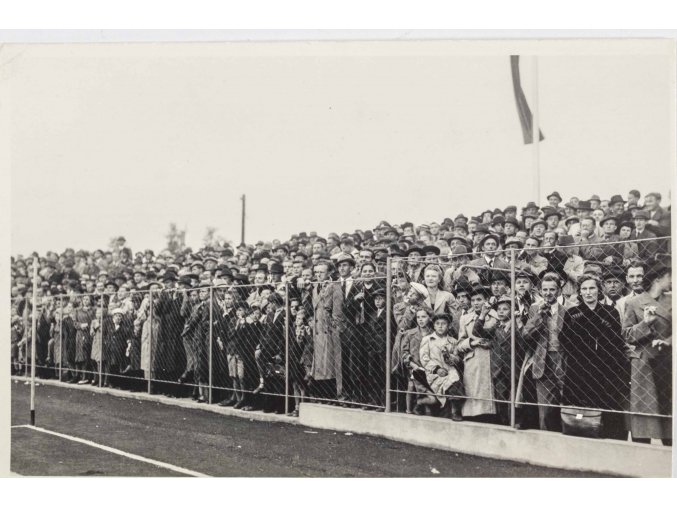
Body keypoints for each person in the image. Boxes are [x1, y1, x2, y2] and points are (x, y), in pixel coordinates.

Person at [559, 274, 630, 440]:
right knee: (581, 409)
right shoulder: (573, 313)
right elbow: (565, 339)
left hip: (605, 369)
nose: (588, 292)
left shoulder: (609, 311)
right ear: (580, 292)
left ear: (599, 291)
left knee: (607, 406)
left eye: (592, 288)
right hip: (580, 369)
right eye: (584, 289)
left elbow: (615, 340)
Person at [622, 257, 672, 445]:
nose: (672, 281)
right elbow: (626, 335)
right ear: (658, 278)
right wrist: (645, 324)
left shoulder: (671, 300)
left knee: (668, 410)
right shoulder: (634, 302)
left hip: (668, 361)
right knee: (644, 413)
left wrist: (668, 341)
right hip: (645, 364)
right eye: (669, 277)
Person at [521, 273, 568, 431]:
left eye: (552, 289)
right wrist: (539, 315)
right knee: (545, 409)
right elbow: (526, 334)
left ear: (559, 291)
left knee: (565, 405)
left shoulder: (567, 309)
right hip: (543, 360)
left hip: (563, 359)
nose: (548, 293)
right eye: (545, 289)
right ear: (540, 291)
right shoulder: (535, 308)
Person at [456, 285, 498, 421]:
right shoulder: (465, 319)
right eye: (473, 300)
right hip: (473, 361)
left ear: (486, 300)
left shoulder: (496, 316)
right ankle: (474, 417)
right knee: (475, 394)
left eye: (479, 300)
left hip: (492, 358)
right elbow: (459, 345)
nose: (475, 303)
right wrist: (471, 343)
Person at [309, 261, 344, 402]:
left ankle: (331, 394)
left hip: (329, 331)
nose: (318, 275)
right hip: (317, 331)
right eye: (316, 272)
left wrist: (335, 328)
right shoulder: (315, 287)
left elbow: (337, 311)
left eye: (321, 272)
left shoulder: (334, 287)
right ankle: (320, 394)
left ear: (329, 273)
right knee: (319, 364)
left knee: (329, 364)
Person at [419, 313, 464, 420]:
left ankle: (455, 411)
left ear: (448, 326)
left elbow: (457, 357)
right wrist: (436, 369)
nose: (440, 326)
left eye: (443, 324)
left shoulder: (453, 341)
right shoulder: (428, 339)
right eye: (437, 324)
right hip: (434, 372)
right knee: (448, 384)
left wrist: (452, 358)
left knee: (455, 381)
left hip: (449, 370)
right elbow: (424, 358)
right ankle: (424, 404)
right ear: (433, 326)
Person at [398, 308, 433, 414]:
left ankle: (421, 405)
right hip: (413, 367)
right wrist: (412, 364)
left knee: (429, 406)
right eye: (418, 317)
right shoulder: (410, 333)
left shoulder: (433, 333)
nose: (420, 320)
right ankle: (409, 409)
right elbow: (404, 352)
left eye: (423, 317)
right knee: (412, 383)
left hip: (429, 367)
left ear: (430, 318)